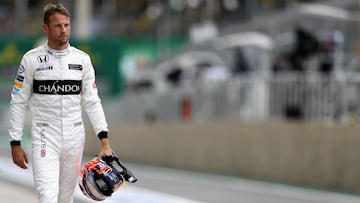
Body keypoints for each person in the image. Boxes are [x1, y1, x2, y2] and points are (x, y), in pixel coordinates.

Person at [8, 3, 113, 203]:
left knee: (66, 198)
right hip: (45, 135)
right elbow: (18, 101)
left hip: (75, 135)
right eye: (58, 26)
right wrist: (15, 142)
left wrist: (104, 141)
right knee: (47, 196)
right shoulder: (31, 60)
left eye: (67, 25)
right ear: (45, 28)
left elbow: (92, 101)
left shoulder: (82, 60)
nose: (63, 30)